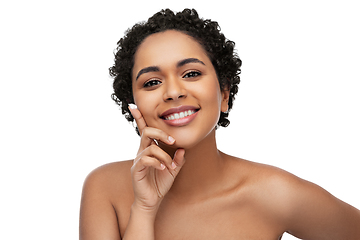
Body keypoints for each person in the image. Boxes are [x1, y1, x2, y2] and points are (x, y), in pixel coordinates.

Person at [79, 9, 360, 240]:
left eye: (191, 73)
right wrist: (144, 208)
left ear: (224, 93)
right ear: (134, 104)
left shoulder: (275, 193)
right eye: (152, 82)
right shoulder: (104, 189)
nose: (173, 92)